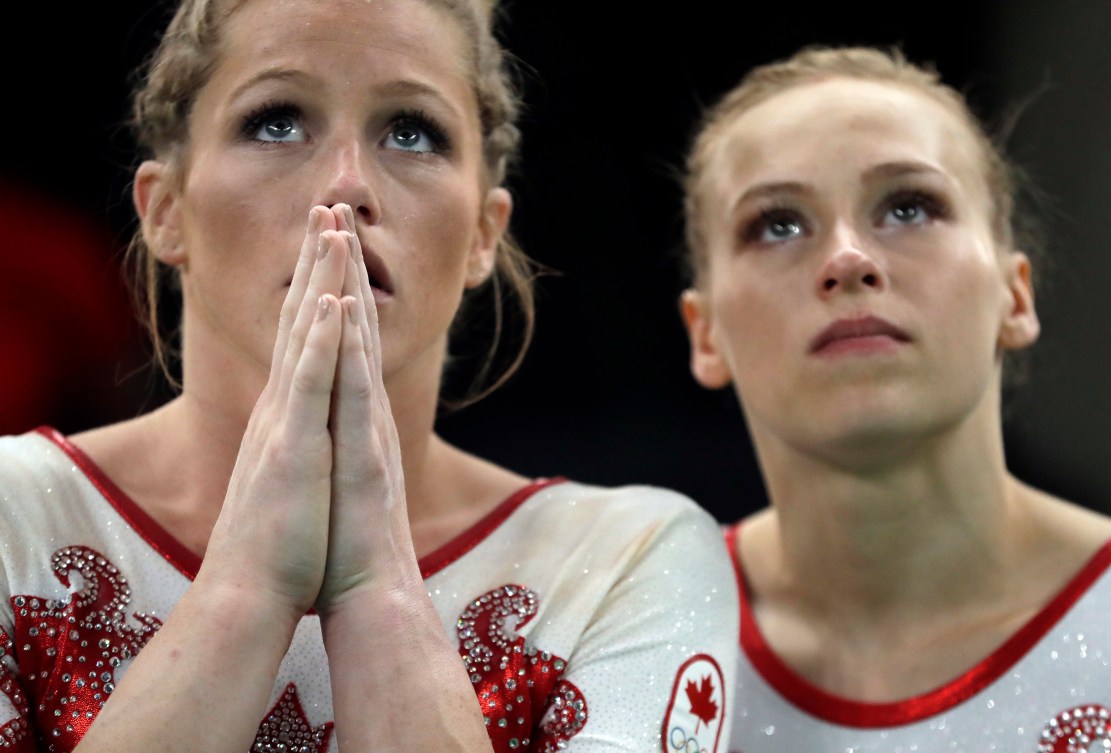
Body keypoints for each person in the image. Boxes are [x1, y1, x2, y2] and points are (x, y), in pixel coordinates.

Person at [0, 1, 739, 751]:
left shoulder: (627, 558)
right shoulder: (12, 515)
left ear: (485, 232)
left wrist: (377, 592)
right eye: (277, 121)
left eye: (411, 132)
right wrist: (243, 593)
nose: (346, 185)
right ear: (165, 212)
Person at [677, 44, 1111, 752]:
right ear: (705, 333)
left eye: (908, 207)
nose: (848, 258)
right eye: (777, 224)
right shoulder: (630, 637)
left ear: (1015, 292)